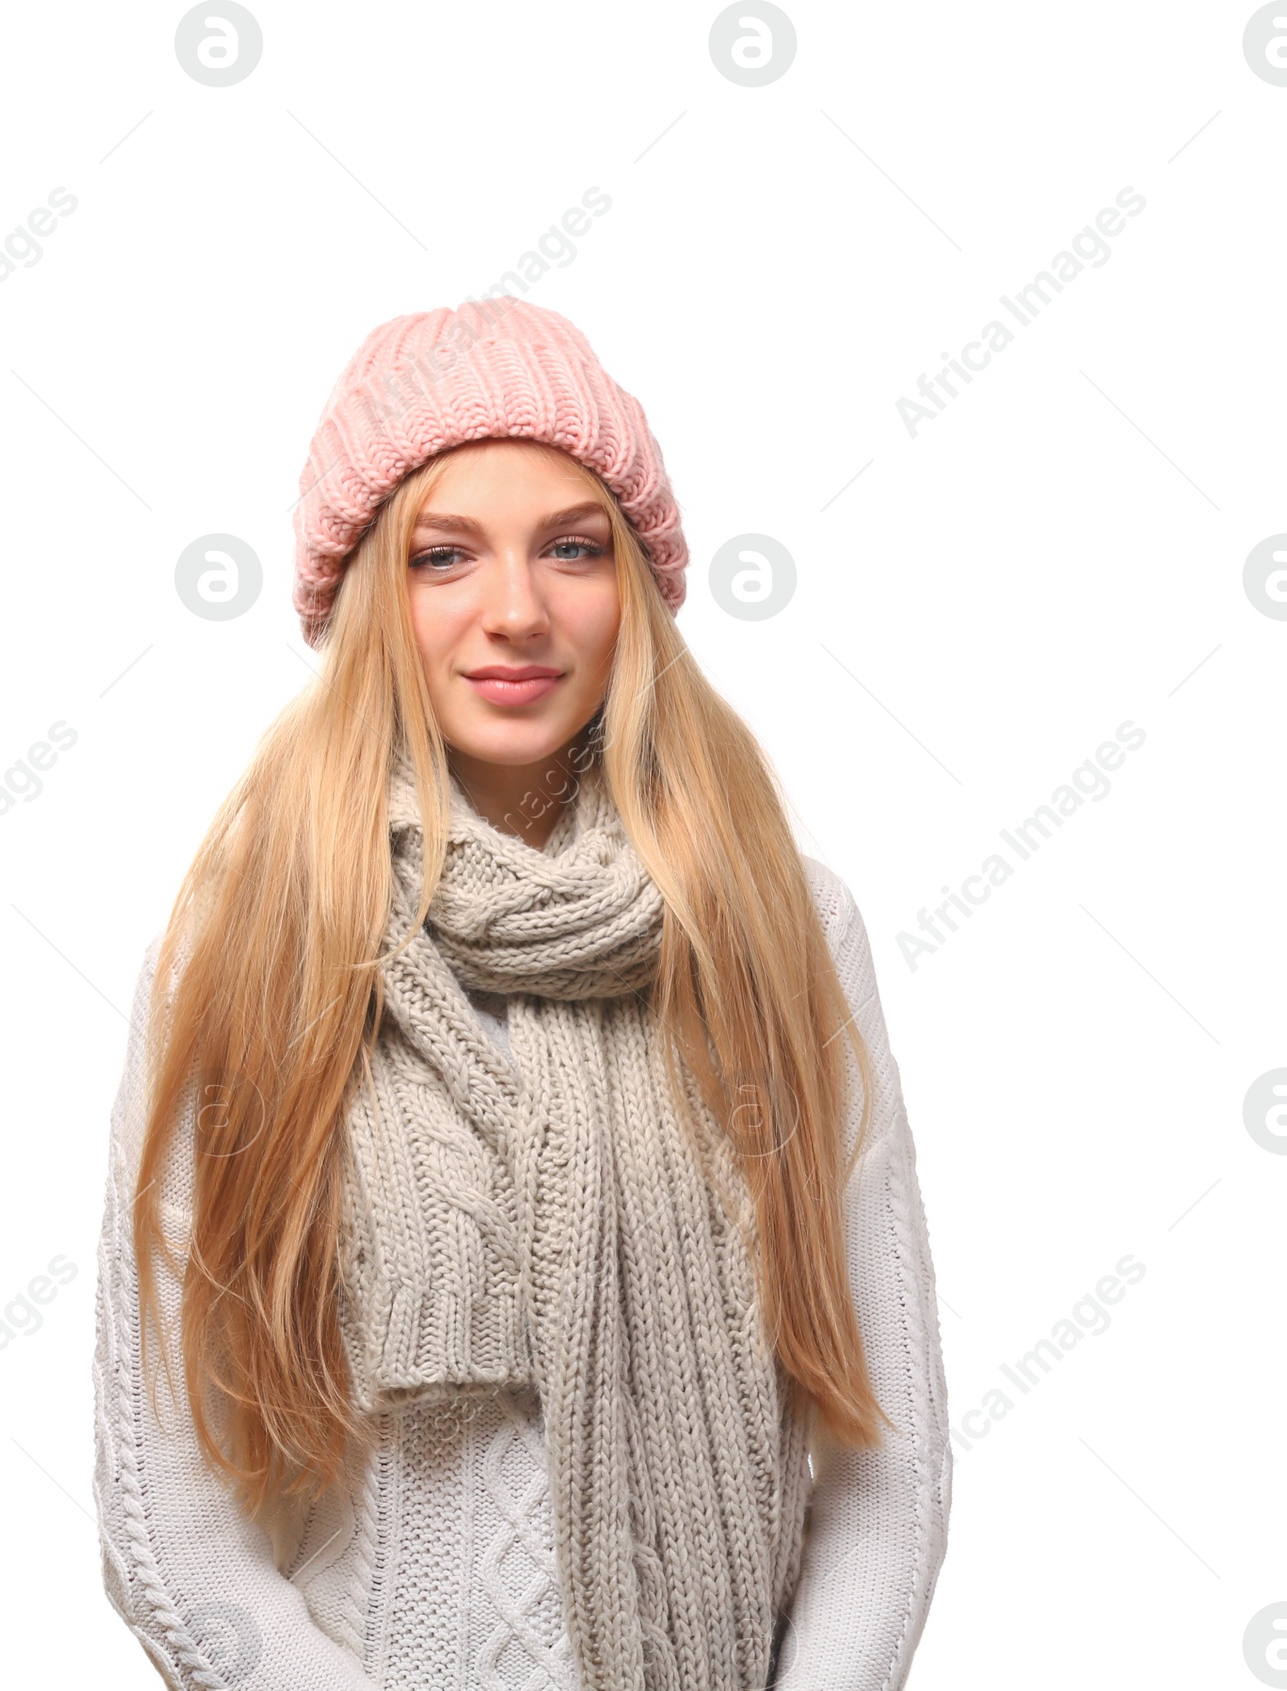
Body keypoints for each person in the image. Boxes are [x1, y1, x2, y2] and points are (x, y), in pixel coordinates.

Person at [92, 298, 953, 1690]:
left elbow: (883, 1466)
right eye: (445, 557)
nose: (517, 611)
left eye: (573, 548)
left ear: (639, 588)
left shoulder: (785, 929)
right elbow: (171, 1526)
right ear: (368, 596)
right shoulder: (244, 944)